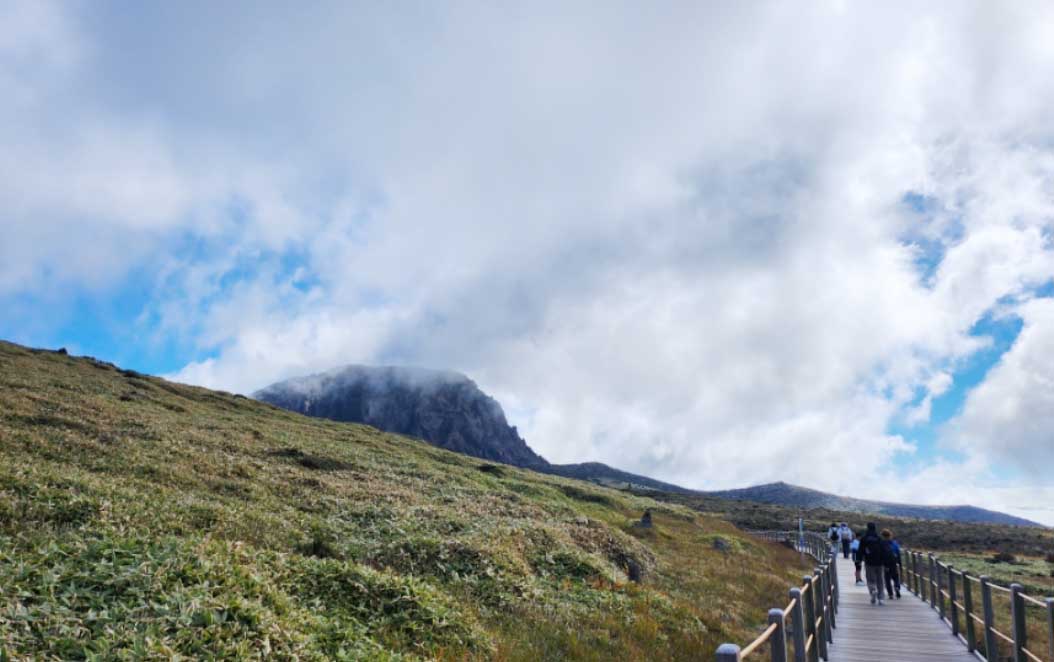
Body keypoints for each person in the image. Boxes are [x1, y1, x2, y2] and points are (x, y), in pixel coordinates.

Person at [859, 522, 889, 605]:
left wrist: (858, 560)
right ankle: (881, 598)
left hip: (869, 562)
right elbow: (884, 551)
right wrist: (886, 563)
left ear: (867, 528)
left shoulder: (864, 538)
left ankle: (873, 590)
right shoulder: (879, 539)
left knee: (870, 579)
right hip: (880, 563)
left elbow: (860, 551)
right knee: (880, 580)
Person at [882, 530, 902, 599]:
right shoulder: (894, 543)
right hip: (894, 563)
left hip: (886, 564)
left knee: (887, 579)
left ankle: (890, 594)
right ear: (890, 535)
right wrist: (899, 563)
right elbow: (898, 553)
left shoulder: (882, 544)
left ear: (883, 536)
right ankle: (897, 586)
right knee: (896, 577)